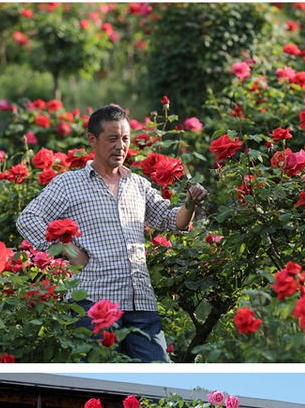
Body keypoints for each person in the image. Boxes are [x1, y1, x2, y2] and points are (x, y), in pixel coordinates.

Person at [17, 104, 208, 362]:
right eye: (112, 138)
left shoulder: (137, 184)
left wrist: (190, 202)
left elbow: (173, 221)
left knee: (157, 371)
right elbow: (28, 218)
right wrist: (69, 251)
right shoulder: (68, 184)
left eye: (125, 138)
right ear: (92, 140)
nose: (121, 146)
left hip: (141, 304)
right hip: (94, 303)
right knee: (101, 374)